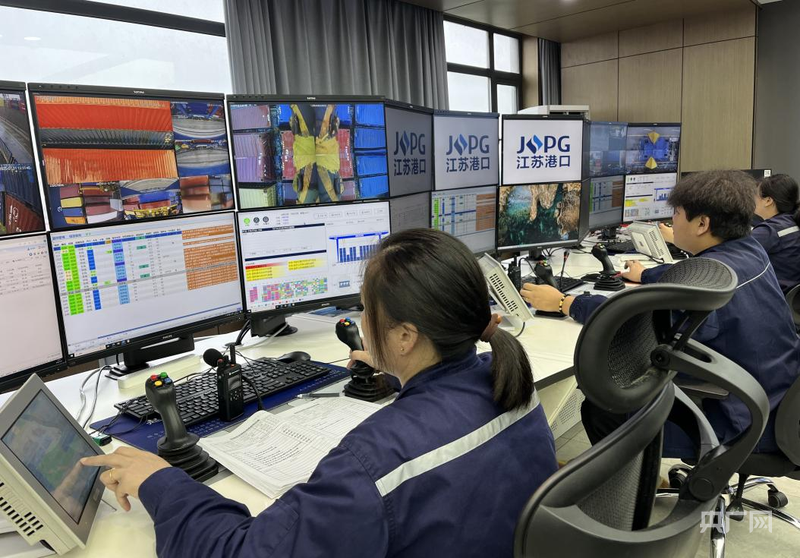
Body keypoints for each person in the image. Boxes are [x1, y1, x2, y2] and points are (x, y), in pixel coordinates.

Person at [82, 229, 558, 558]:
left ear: (405, 336)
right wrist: (400, 370)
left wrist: (161, 483)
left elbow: (243, 552)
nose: (363, 320)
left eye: (366, 310)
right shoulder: (509, 380)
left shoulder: (374, 460)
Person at [521, 170, 800, 457]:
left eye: (676, 214)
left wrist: (564, 302)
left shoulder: (705, 284)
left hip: (742, 422)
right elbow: (680, 276)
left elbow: (632, 319)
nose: (671, 222)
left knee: (603, 409)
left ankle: (638, 484)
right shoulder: (750, 251)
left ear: (702, 224)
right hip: (775, 396)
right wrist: (646, 275)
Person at [751, 174, 800, 294]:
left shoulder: (770, 231)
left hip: (774, 295)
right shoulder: (793, 221)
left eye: (755, 195)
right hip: (792, 295)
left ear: (768, 201)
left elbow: (734, 251)